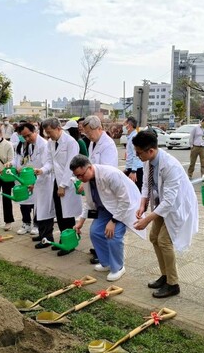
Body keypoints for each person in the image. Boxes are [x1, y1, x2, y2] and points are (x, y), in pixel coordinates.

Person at [133, 131, 198, 298]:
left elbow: (170, 201)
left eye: (139, 152)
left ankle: (173, 284)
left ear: (151, 151)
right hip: (161, 204)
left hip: (176, 206)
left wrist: (147, 220)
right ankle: (165, 275)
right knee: (154, 237)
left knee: (164, 240)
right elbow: (147, 185)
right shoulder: (149, 161)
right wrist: (142, 204)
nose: (137, 155)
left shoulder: (170, 165)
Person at [71, 155, 146, 281]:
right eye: (77, 176)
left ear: (89, 167)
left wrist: (113, 221)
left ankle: (118, 267)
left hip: (124, 208)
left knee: (113, 235)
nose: (80, 179)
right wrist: (80, 222)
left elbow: (125, 200)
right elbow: (88, 203)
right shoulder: (87, 180)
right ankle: (106, 263)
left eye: (81, 175)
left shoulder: (110, 174)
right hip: (106, 208)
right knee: (95, 232)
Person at [34, 117, 82, 256]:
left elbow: (70, 166)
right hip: (56, 180)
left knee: (68, 215)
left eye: (50, 132)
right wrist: (42, 170)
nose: (48, 135)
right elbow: (50, 162)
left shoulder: (70, 142)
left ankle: (69, 243)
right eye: (46, 132)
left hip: (67, 182)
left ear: (58, 128)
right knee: (60, 214)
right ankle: (63, 240)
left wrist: (62, 185)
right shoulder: (50, 142)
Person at [82, 115, 119, 264]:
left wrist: (87, 177)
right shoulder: (93, 143)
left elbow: (106, 170)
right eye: (86, 133)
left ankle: (106, 255)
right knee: (97, 228)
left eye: (90, 132)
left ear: (99, 128)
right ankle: (101, 252)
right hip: (95, 188)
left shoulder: (108, 145)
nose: (88, 136)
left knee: (106, 227)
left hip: (106, 189)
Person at [18, 122, 56, 244]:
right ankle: (42, 234)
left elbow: (46, 166)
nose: (27, 139)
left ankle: (47, 237)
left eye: (29, 135)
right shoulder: (31, 145)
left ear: (35, 131)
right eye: (24, 137)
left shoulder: (44, 145)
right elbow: (32, 164)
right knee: (40, 210)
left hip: (46, 181)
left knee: (46, 210)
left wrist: (36, 180)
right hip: (38, 181)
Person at [13, 123, 39, 236]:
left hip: (30, 178)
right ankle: (26, 223)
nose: (23, 137)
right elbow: (16, 159)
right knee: (23, 202)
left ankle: (36, 224)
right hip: (21, 179)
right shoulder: (19, 146)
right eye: (20, 135)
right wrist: (12, 164)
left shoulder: (34, 146)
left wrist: (24, 169)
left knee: (36, 203)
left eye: (23, 135)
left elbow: (34, 162)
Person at [123, 116, 144, 191]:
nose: (124, 126)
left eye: (125, 124)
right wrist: (126, 168)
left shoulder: (134, 138)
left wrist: (133, 171)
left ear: (129, 125)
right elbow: (130, 155)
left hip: (135, 170)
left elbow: (136, 155)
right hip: (131, 168)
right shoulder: (130, 137)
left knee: (136, 192)